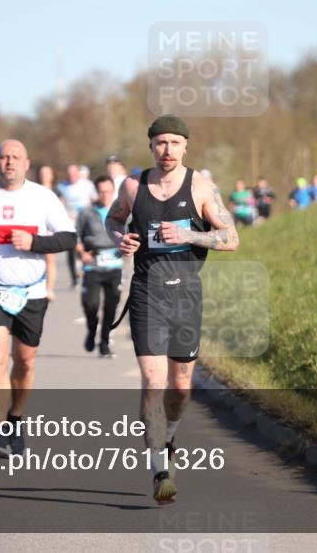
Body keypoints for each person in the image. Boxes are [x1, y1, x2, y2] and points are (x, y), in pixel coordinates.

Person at [106, 114, 239, 505]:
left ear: (185, 146)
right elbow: (112, 218)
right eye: (161, 143)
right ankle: (159, 469)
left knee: (180, 388)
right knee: (153, 382)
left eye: (175, 143)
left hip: (186, 295)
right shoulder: (133, 186)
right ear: (151, 146)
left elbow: (231, 238)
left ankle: (171, 433)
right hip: (147, 293)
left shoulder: (200, 185)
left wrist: (189, 234)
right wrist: (120, 239)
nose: (167, 150)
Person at [0, 140, 77, 458]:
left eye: (15, 157)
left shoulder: (42, 197)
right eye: (3, 157)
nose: (9, 162)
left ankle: (15, 418)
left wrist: (35, 242)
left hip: (31, 290)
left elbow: (67, 237)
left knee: (25, 361)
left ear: (26, 163)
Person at [76, 175, 124, 358]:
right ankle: (91, 329)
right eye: (101, 191)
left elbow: (132, 233)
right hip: (93, 265)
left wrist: (126, 248)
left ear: (114, 191)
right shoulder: (87, 212)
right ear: (96, 192)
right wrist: (82, 254)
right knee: (91, 305)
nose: (105, 195)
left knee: (111, 306)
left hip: (115, 265)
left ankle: (104, 343)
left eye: (108, 191)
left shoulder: (122, 211)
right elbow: (76, 236)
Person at [57, 164, 97, 288]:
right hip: (70, 221)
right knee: (71, 249)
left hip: (85, 221)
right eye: (69, 174)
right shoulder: (61, 186)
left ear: (78, 174)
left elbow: (94, 199)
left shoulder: (87, 185)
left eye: (74, 174)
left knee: (85, 247)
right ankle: (74, 278)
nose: (72, 177)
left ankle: (88, 272)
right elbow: (59, 203)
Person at [36, 165, 60, 303]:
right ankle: (37, 285)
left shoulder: (56, 191)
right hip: (37, 226)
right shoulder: (33, 189)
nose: (45, 175)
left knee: (49, 258)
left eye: (47, 172)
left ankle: (49, 288)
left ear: (52, 174)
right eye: (42, 172)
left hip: (50, 227)